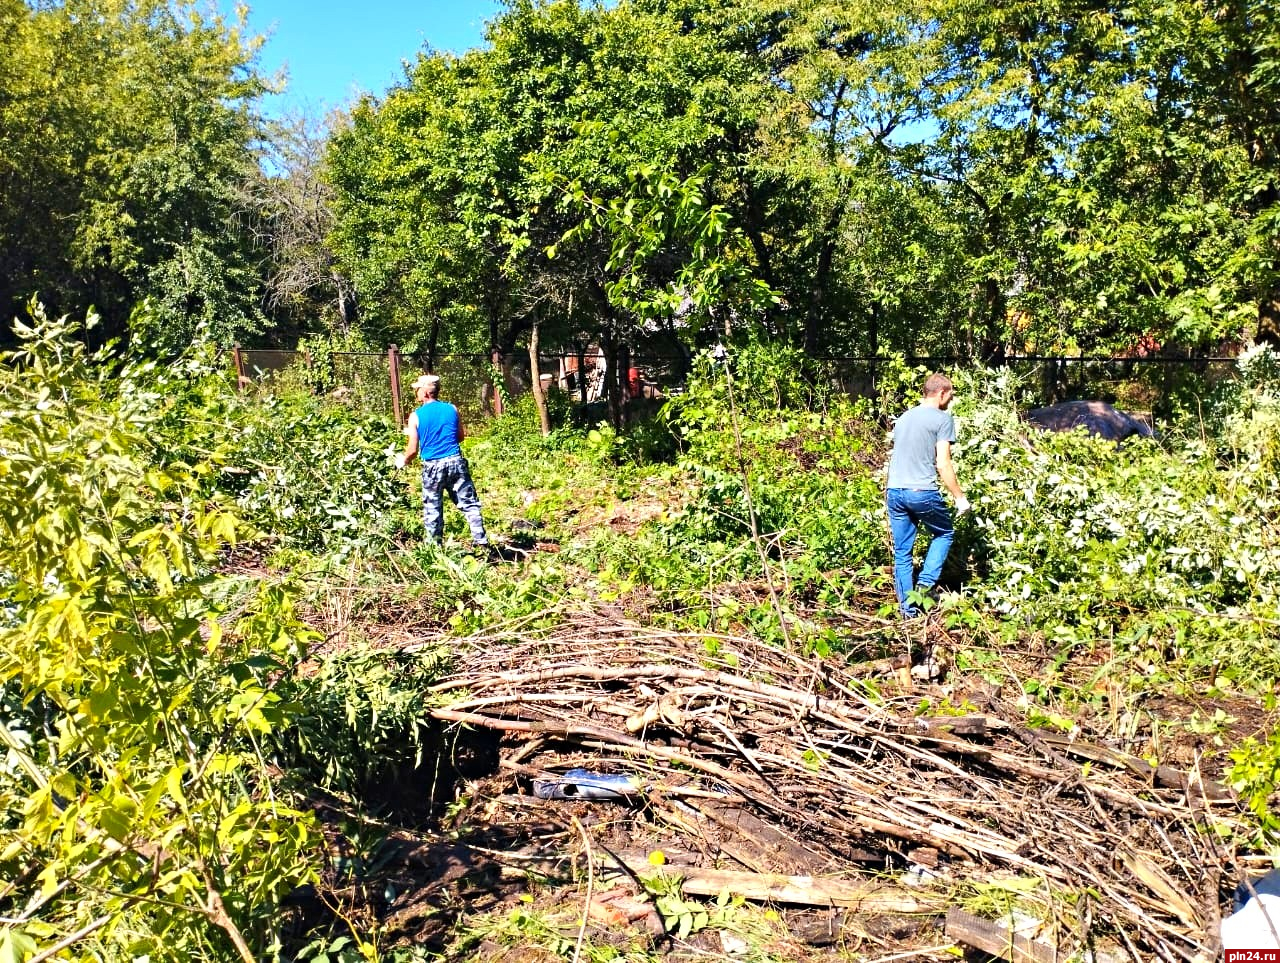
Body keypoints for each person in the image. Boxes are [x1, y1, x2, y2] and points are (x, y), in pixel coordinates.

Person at [886, 373, 971, 617]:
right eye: (950, 394)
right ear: (942, 393)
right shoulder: (942, 419)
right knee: (944, 533)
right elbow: (943, 463)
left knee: (902, 553)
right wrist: (959, 497)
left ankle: (907, 612)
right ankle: (924, 588)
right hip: (921, 492)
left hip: (894, 491)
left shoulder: (903, 418)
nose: (951, 399)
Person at [394, 374, 490, 549]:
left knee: (433, 509)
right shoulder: (452, 409)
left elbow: (413, 450)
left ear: (425, 393)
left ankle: (435, 549)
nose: (416, 393)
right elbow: (460, 437)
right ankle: (481, 542)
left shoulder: (416, 416)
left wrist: (403, 460)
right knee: (469, 503)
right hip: (455, 462)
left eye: (417, 389)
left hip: (432, 467)